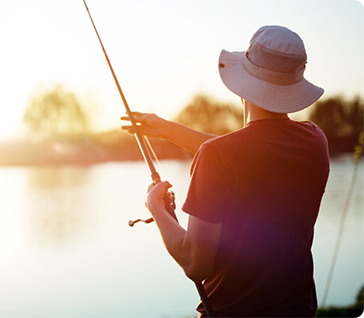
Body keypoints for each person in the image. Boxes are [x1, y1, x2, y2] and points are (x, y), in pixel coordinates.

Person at [122, 25, 330, 318]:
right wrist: (169, 130)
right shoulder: (315, 140)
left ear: (243, 84)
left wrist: (156, 209)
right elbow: (248, 154)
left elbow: (196, 263)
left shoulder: (218, 156)